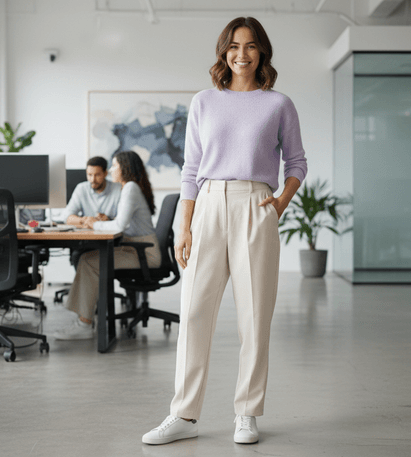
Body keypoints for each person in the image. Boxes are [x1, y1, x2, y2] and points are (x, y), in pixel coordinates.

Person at [142, 17, 307, 446]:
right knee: (195, 311)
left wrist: (279, 205)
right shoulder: (203, 102)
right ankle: (183, 414)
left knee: (254, 317)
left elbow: (297, 164)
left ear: (262, 52)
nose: (242, 54)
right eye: (234, 46)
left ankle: (247, 413)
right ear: (223, 52)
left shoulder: (278, 104)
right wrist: (185, 226)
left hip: (256, 204)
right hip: (209, 204)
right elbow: (190, 170)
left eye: (251, 46)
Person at [53, 151, 161, 340]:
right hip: (136, 248)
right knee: (87, 259)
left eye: (114, 166)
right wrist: (101, 221)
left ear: (124, 168)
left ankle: (84, 324)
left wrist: (92, 223)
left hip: (145, 253)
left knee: (88, 261)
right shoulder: (130, 187)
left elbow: (120, 226)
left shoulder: (130, 188)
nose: (112, 170)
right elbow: (121, 222)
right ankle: (84, 318)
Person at [61, 156, 121, 228]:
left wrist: (109, 220)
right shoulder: (81, 188)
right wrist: (85, 220)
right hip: (87, 236)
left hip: (111, 235)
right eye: (89, 175)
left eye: (97, 175)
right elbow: (66, 217)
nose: (93, 180)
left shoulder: (118, 189)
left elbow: (124, 220)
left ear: (105, 173)